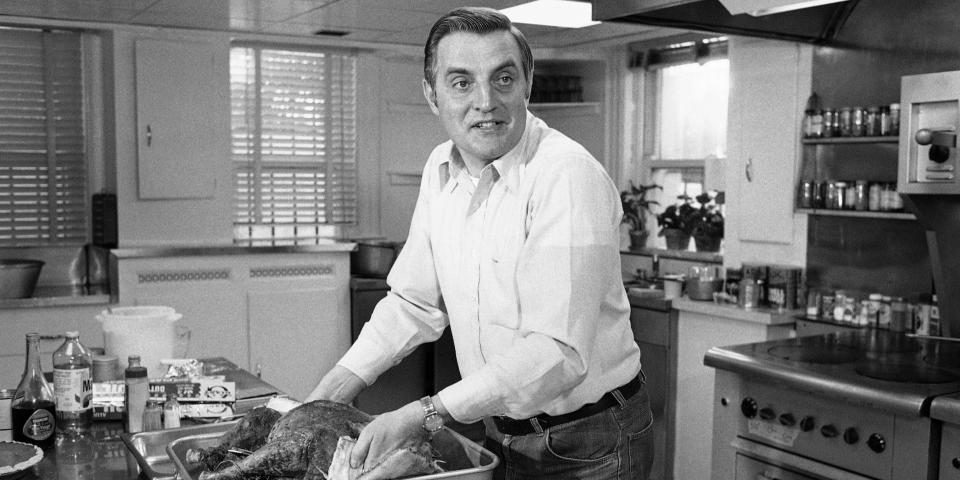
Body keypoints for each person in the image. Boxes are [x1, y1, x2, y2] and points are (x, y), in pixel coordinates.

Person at [306, 6, 654, 479]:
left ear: (527, 83)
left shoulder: (566, 176)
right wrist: (334, 388)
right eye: (462, 81)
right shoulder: (440, 169)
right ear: (432, 94)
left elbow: (557, 352)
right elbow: (412, 301)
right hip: (501, 429)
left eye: (503, 78)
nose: (486, 101)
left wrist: (422, 413)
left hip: (588, 440)